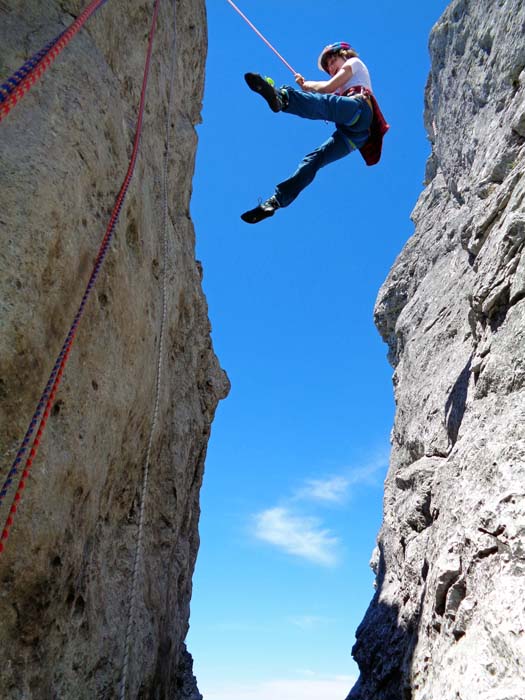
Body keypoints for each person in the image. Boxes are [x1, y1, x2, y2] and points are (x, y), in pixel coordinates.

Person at [241, 41, 389, 224]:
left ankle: (283, 97)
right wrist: (308, 87)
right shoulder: (340, 89)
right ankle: (277, 201)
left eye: (333, 61)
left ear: (345, 55)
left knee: (325, 104)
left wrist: (308, 85)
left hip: (359, 109)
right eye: (328, 66)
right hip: (353, 135)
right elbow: (325, 91)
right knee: (314, 159)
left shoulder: (355, 64)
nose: (331, 67)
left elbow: (326, 89)